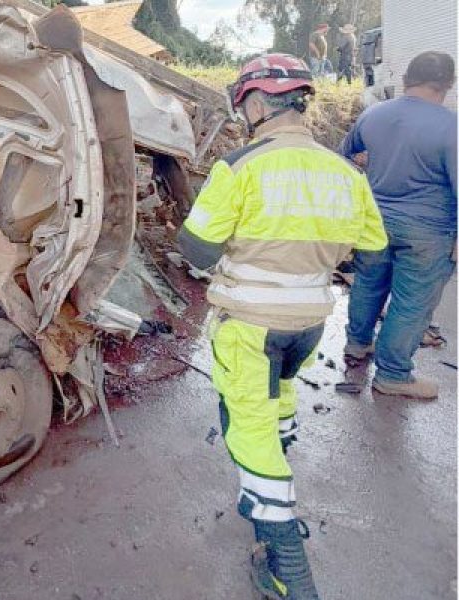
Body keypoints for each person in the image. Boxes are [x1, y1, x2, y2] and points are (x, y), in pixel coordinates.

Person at [178, 54, 387, 599]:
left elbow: (195, 248)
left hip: (248, 325)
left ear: (251, 103)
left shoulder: (240, 166)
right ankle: (275, 471)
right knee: (280, 396)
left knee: (248, 430)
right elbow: (371, 253)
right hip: (310, 324)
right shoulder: (347, 174)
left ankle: (287, 571)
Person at [340, 51, 457, 399]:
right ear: (448, 84)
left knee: (368, 284)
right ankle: (393, 374)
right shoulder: (451, 127)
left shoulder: (373, 115)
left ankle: (358, 344)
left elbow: (344, 156)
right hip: (428, 232)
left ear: (406, 79)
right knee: (412, 301)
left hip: (374, 222)